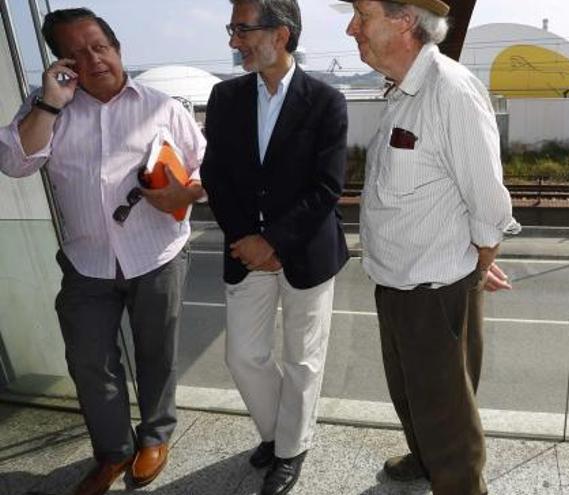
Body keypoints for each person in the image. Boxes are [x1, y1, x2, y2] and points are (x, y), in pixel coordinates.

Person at [0, 8, 205, 495]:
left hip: (157, 254)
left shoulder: (163, 106)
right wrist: (50, 104)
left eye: (100, 46)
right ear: (61, 62)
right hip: (86, 262)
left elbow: (203, 170)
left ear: (117, 49)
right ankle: (113, 451)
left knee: (157, 353)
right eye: (77, 52)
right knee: (90, 360)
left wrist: (184, 193)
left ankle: (156, 435)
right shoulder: (46, 108)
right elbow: (15, 163)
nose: (93, 60)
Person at [343, 1, 519, 494]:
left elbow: (486, 199)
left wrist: (477, 265)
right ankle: (424, 459)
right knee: (410, 392)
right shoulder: (403, 91)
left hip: (434, 289)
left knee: (448, 416)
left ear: (404, 20)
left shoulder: (451, 90)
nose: (351, 27)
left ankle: (458, 483)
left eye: (362, 14)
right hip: (395, 281)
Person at [200, 1, 348, 494]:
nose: (233, 41)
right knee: (243, 357)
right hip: (246, 250)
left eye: (242, 30)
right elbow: (214, 175)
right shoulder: (224, 97)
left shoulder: (327, 100)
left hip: (306, 250)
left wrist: (275, 240)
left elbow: (326, 188)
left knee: (304, 360)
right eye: (233, 29)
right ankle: (277, 431)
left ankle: (290, 449)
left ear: (280, 35)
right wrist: (250, 241)